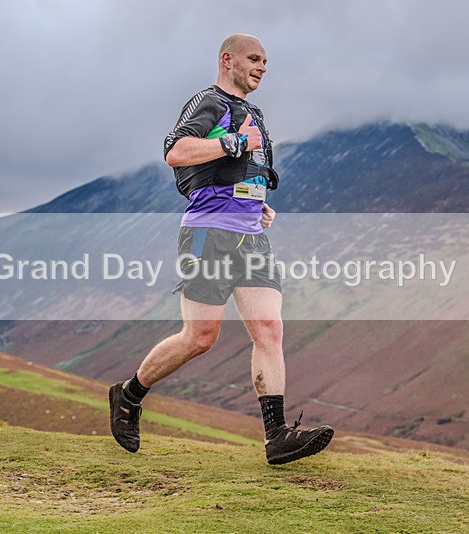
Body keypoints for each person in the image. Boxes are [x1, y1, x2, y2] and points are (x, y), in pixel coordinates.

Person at [109, 33, 334, 465]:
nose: (263, 66)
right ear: (227, 59)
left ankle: (277, 436)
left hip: (252, 236)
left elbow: (243, 170)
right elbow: (176, 152)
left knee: (269, 329)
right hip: (207, 233)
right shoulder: (209, 103)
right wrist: (234, 142)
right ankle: (129, 394)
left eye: (266, 61)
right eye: (254, 58)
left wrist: (259, 203)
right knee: (200, 338)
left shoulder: (256, 114)